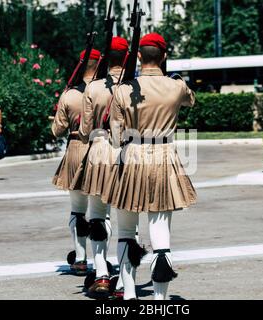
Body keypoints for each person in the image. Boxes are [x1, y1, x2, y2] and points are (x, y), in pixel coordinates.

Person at [104, 33, 196, 300]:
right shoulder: (176, 87)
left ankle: (130, 294)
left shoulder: (123, 90)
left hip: (132, 155)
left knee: (125, 232)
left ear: (139, 57)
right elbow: (191, 100)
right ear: (164, 57)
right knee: (160, 231)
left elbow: (115, 136)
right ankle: (160, 299)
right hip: (164, 156)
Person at [79, 37, 130, 298]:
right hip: (127, 154)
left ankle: (100, 274)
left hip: (98, 150)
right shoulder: (135, 86)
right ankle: (123, 281)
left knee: (97, 216)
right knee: (126, 222)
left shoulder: (94, 87)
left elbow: (85, 129)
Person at [52, 49, 102, 277]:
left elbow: (57, 130)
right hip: (102, 149)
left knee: (78, 210)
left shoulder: (69, 95)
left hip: (75, 148)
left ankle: (81, 258)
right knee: (102, 213)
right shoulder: (108, 91)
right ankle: (102, 264)